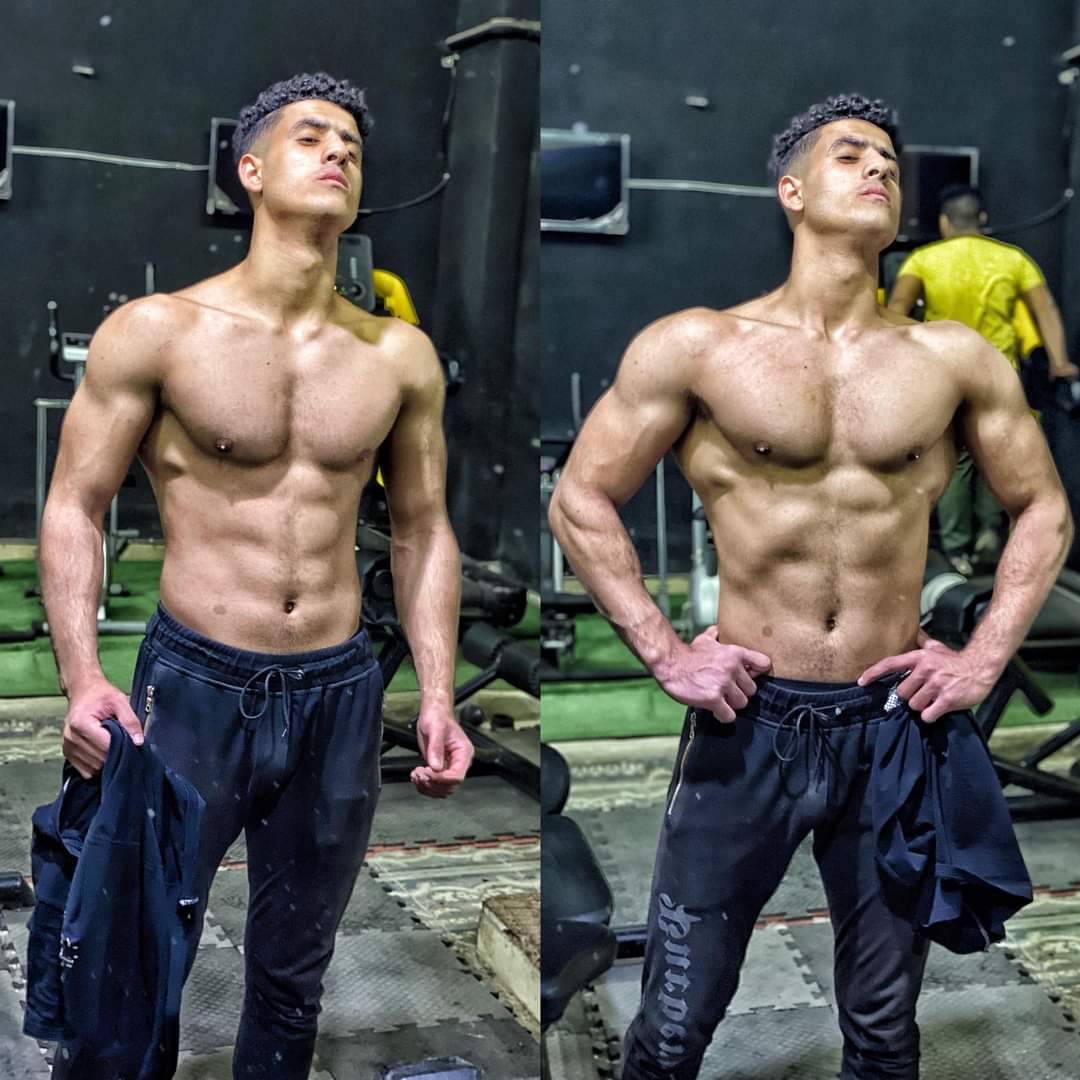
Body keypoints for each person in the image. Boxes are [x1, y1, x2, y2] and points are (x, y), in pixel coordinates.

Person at [548, 95, 1072, 1079]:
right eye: (850, 154)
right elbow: (581, 496)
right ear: (791, 191)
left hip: (891, 725)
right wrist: (666, 653)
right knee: (676, 1019)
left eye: (889, 161)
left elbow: (1042, 507)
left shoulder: (953, 359)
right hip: (751, 719)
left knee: (883, 1025)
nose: (878, 168)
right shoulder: (697, 346)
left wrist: (982, 660)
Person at [38, 71, 474, 1079]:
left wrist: (437, 693)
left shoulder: (399, 356)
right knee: (133, 958)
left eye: (351, 146)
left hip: (339, 692)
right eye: (311, 136)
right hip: (195, 686)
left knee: (293, 972)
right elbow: (73, 506)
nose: (338, 153)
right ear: (251, 170)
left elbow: (423, 528)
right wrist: (81, 677)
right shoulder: (158, 331)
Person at [888, 184, 1079, 574]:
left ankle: (957, 548)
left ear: (945, 222)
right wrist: (1060, 362)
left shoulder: (923, 260)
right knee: (998, 457)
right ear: (983, 219)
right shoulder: (1014, 259)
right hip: (999, 375)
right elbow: (1045, 309)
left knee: (954, 462)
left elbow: (898, 309)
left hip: (946, 375)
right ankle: (990, 535)